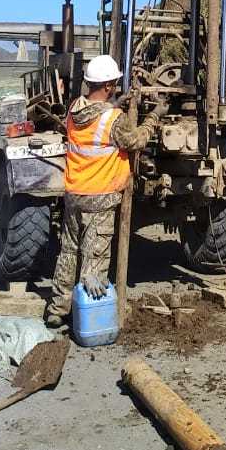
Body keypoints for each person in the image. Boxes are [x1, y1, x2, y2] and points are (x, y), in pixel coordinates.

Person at [45, 54, 161, 327]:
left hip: (75, 193)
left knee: (69, 252)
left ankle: (57, 309)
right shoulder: (114, 118)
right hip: (101, 196)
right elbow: (135, 140)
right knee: (95, 258)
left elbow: (97, 121)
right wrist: (154, 117)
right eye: (115, 84)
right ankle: (90, 320)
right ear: (108, 85)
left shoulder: (74, 109)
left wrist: (114, 106)